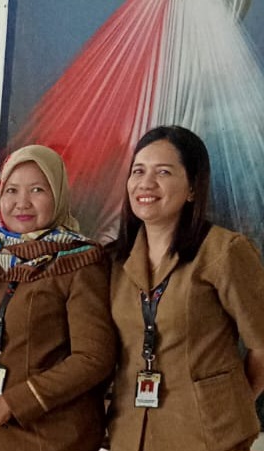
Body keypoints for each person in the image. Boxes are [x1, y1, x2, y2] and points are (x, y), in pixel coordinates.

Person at [108, 126, 264, 451]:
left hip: (210, 437)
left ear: (192, 187)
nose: (146, 183)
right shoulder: (114, 260)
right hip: (131, 433)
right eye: (138, 171)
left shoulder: (224, 252)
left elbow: (262, 346)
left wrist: (231, 404)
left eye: (163, 172)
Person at [0, 145, 115, 451]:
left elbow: (93, 358)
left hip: (50, 436)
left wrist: (15, 401)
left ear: (58, 195)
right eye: (12, 190)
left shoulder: (82, 260)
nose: (22, 202)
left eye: (37, 190)